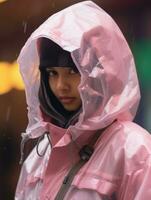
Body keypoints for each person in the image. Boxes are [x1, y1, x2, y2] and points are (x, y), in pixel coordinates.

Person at [15, 1, 151, 199]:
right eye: (52, 73)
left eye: (73, 71)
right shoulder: (40, 155)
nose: (61, 85)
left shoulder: (135, 151)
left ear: (101, 71)